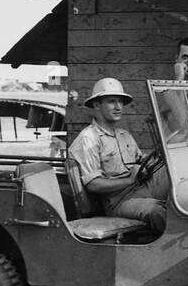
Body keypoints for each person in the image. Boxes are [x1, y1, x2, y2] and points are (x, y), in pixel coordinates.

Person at [68, 78, 167, 233]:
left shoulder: (124, 135)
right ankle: (172, 253)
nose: (118, 107)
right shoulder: (89, 139)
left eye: (120, 102)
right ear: (96, 105)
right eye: (111, 101)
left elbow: (139, 162)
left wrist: (147, 163)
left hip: (142, 187)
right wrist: (129, 180)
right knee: (157, 210)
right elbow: (93, 184)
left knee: (179, 179)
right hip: (119, 201)